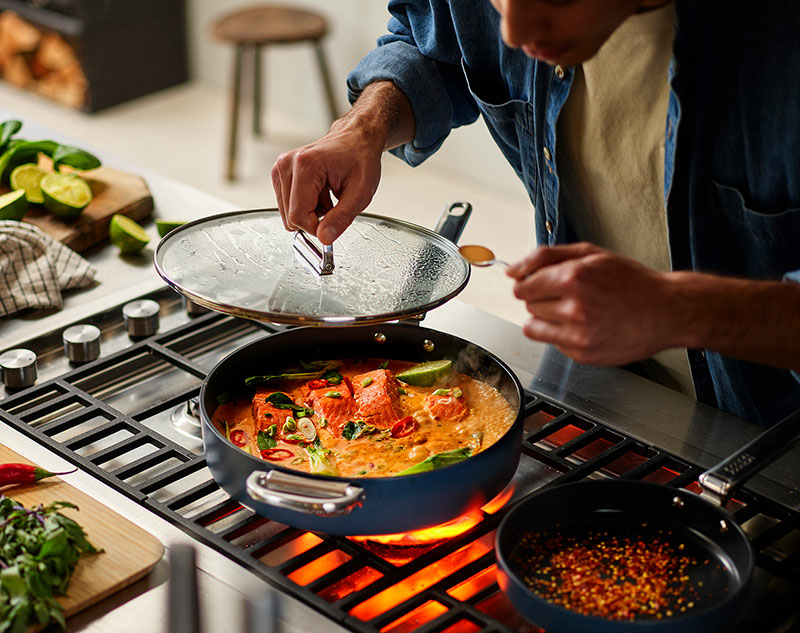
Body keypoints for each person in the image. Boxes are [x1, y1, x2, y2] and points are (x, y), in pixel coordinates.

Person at [271, 0, 800, 428]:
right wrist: (363, 128)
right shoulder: (514, 16)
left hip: (771, 438)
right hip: (598, 388)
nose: (514, 31)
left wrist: (681, 311)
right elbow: (434, 47)